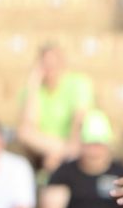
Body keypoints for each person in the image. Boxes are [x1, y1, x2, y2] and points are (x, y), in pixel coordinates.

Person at [16, 44, 95, 173]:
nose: (50, 67)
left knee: (53, 162)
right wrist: (33, 88)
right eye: (45, 63)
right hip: (47, 148)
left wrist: (70, 146)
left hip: (74, 142)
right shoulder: (31, 90)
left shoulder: (78, 82)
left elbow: (79, 119)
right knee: (23, 132)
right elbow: (28, 126)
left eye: (53, 62)